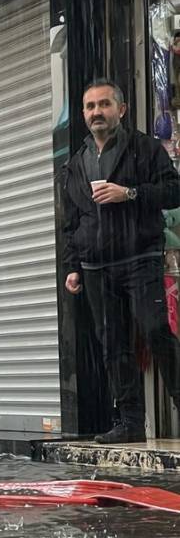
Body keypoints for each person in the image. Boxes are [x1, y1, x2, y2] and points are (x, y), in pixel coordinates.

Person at [62, 79, 180, 444]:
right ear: (83, 114)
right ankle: (129, 422)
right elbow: (70, 221)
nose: (97, 112)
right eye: (90, 106)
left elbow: (173, 189)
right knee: (112, 344)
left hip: (140, 257)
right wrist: (72, 266)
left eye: (104, 104)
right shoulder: (76, 163)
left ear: (121, 110)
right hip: (96, 267)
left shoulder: (144, 148)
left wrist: (128, 193)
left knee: (156, 330)